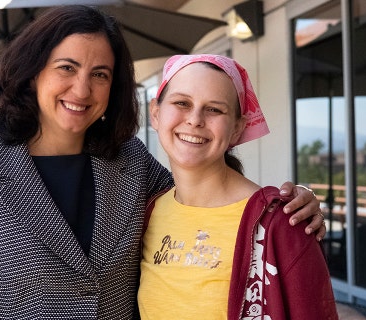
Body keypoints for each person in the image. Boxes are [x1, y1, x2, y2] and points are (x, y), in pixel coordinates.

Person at [0, 5, 326, 320]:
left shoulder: (130, 161)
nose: (82, 89)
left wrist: (289, 202)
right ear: (33, 73)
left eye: (100, 74)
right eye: (67, 67)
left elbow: (200, 195)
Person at [138, 54, 338, 319]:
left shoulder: (282, 221)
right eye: (182, 103)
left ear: (236, 128)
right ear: (155, 113)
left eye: (214, 109)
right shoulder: (149, 211)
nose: (195, 119)